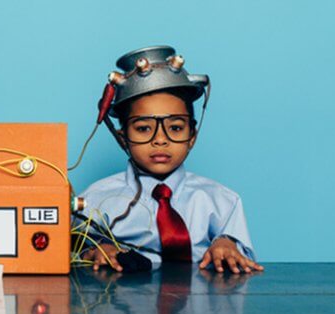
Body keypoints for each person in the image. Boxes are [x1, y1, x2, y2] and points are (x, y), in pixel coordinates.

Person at [76, 46, 263, 274]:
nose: (160, 140)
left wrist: (226, 245)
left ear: (192, 136)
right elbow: (74, 252)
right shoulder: (94, 200)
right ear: (122, 138)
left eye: (175, 127)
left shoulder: (222, 202)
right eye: (144, 128)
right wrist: (95, 250)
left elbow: (243, 258)